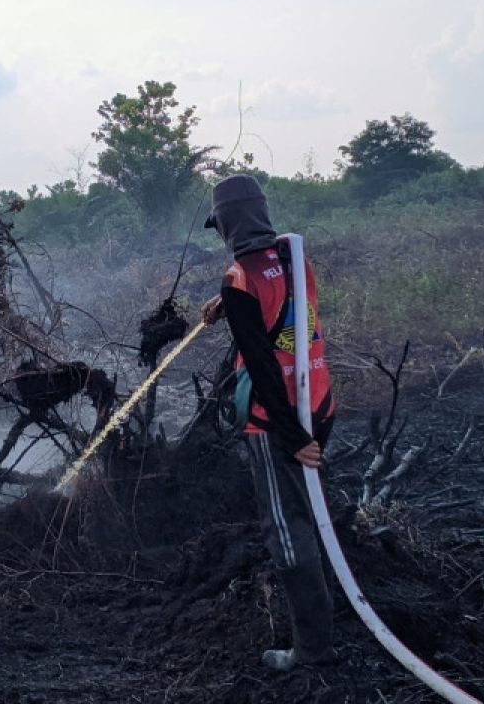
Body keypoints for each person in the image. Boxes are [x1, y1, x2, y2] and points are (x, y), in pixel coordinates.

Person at [201, 174, 337, 672]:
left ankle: (312, 651)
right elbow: (280, 305)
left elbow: (260, 364)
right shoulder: (295, 257)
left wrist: (291, 435)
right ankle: (326, 616)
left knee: (286, 528)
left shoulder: (239, 278)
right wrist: (228, 307)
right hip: (319, 403)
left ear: (227, 224)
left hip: (277, 418)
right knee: (309, 506)